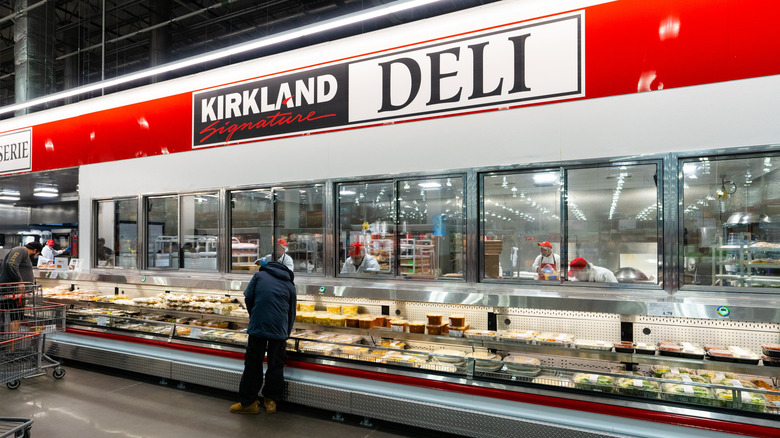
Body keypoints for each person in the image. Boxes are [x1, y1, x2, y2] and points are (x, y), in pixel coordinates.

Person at [230, 261, 296, 415]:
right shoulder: (289, 284)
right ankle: (271, 401)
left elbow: (248, 297)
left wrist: (254, 315)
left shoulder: (259, 276)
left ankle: (249, 403)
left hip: (258, 325)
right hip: (279, 329)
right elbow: (291, 312)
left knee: (253, 364)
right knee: (276, 365)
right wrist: (286, 332)